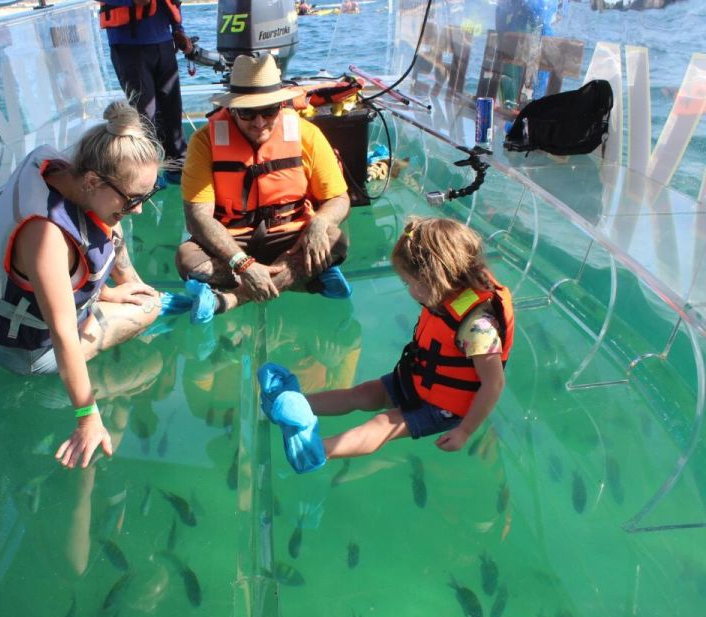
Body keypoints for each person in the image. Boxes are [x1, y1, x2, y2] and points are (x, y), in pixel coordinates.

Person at [0, 100, 180, 470]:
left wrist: (112, 288)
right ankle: (70, 392)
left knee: (125, 270)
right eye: (134, 199)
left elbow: (104, 228)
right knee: (150, 309)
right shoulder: (47, 236)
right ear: (93, 181)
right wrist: (87, 417)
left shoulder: (49, 162)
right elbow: (64, 333)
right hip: (24, 352)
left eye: (149, 195)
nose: (140, 210)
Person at [258, 216, 514, 473]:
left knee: (384, 423)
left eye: (409, 283)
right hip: (418, 380)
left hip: (445, 407)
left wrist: (465, 431)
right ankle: (292, 405)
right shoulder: (451, 290)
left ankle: (313, 453)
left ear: (433, 281)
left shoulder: (478, 327)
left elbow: (494, 383)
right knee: (361, 394)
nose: (408, 289)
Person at [177, 54, 353, 322]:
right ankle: (304, 280)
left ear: (281, 105)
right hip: (231, 240)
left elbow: (339, 198)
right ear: (233, 108)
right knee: (187, 259)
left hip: (291, 238)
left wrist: (320, 221)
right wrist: (242, 263)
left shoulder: (308, 135)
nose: (259, 122)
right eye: (247, 112)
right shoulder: (205, 142)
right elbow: (197, 217)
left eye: (269, 111)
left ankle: (229, 300)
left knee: (336, 240)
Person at [99, 0, 194, 183]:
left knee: (172, 109)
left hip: (164, 42)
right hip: (128, 46)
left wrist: (178, 29)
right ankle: (147, 174)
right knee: (144, 113)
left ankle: (177, 167)